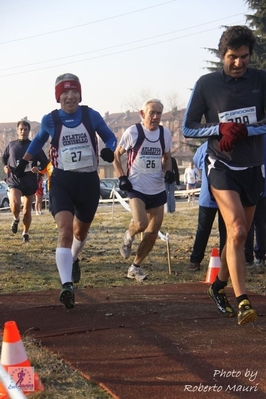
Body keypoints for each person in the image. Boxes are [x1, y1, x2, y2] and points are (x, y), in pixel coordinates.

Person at [182, 25, 266, 325]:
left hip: (253, 167)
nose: (239, 63)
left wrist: (247, 129)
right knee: (239, 230)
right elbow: (188, 127)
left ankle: (218, 286)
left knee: (237, 236)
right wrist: (220, 128)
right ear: (223, 56)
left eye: (244, 57)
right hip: (221, 165)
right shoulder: (206, 84)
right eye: (232, 57)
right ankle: (243, 300)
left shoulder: (261, 80)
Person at [14, 73, 117, 309]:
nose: (70, 97)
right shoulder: (50, 119)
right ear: (58, 97)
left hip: (89, 182)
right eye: (65, 93)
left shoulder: (91, 115)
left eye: (74, 92)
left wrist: (110, 150)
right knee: (65, 229)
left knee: (80, 234)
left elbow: (110, 137)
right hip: (61, 181)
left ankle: (74, 258)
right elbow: (38, 141)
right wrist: (23, 162)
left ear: (80, 94)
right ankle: (66, 285)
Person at [113, 98, 173, 282]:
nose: (155, 117)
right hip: (136, 186)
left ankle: (135, 267)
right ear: (142, 114)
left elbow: (167, 157)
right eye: (151, 113)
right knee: (140, 224)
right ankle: (128, 236)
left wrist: (168, 171)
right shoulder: (133, 132)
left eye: (158, 113)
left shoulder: (165, 134)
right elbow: (116, 155)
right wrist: (122, 176)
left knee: (153, 233)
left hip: (157, 188)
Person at [2, 120, 48, 243]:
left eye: (25, 129)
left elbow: (45, 162)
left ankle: (25, 233)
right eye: (21, 129)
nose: (23, 131)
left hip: (29, 180)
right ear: (17, 131)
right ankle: (16, 218)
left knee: (27, 210)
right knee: (15, 204)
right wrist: (5, 166)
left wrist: (38, 168)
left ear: (29, 131)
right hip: (15, 179)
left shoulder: (35, 146)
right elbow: (4, 157)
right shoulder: (11, 145)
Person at [187, 142, 226, 271]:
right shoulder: (206, 145)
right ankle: (195, 260)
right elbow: (198, 162)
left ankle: (224, 262)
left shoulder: (207, 145)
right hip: (210, 196)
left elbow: (198, 163)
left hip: (224, 196)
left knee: (222, 230)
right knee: (205, 230)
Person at [245, 136, 266, 270]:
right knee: (260, 223)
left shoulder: (250, 136)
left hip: (252, 185)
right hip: (260, 187)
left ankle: (249, 258)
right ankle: (258, 257)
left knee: (249, 222)